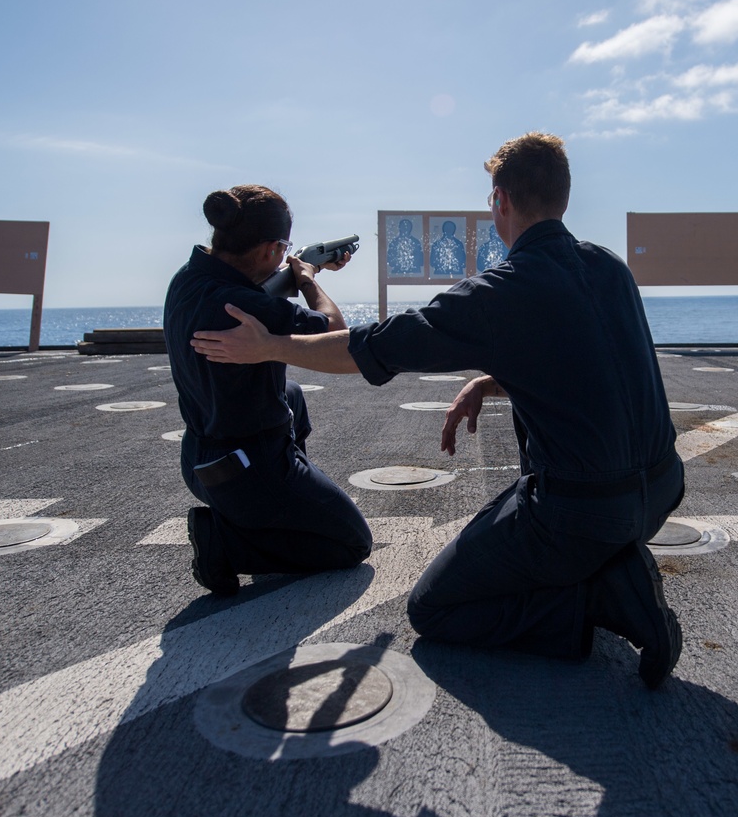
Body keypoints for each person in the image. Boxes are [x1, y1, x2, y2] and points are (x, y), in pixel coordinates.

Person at [190, 135, 684, 688]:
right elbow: (598, 362)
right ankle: (608, 564)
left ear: (499, 200)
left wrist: (270, 347)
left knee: (433, 609)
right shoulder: (609, 268)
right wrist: (494, 383)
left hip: (580, 514)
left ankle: (604, 595)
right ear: (564, 198)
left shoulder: (504, 292)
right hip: (660, 493)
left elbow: (372, 346)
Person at [163, 185, 373, 596]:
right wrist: (310, 281)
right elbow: (336, 333)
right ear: (268, 250)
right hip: (246, 471)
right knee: (352, 543)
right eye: (283, 248)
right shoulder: (242, 304)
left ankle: (285, 504)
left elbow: (257, 292)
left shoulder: (188, 280)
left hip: (200, 458)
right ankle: (227, 544)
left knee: (290, 391)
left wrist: (292, 276)